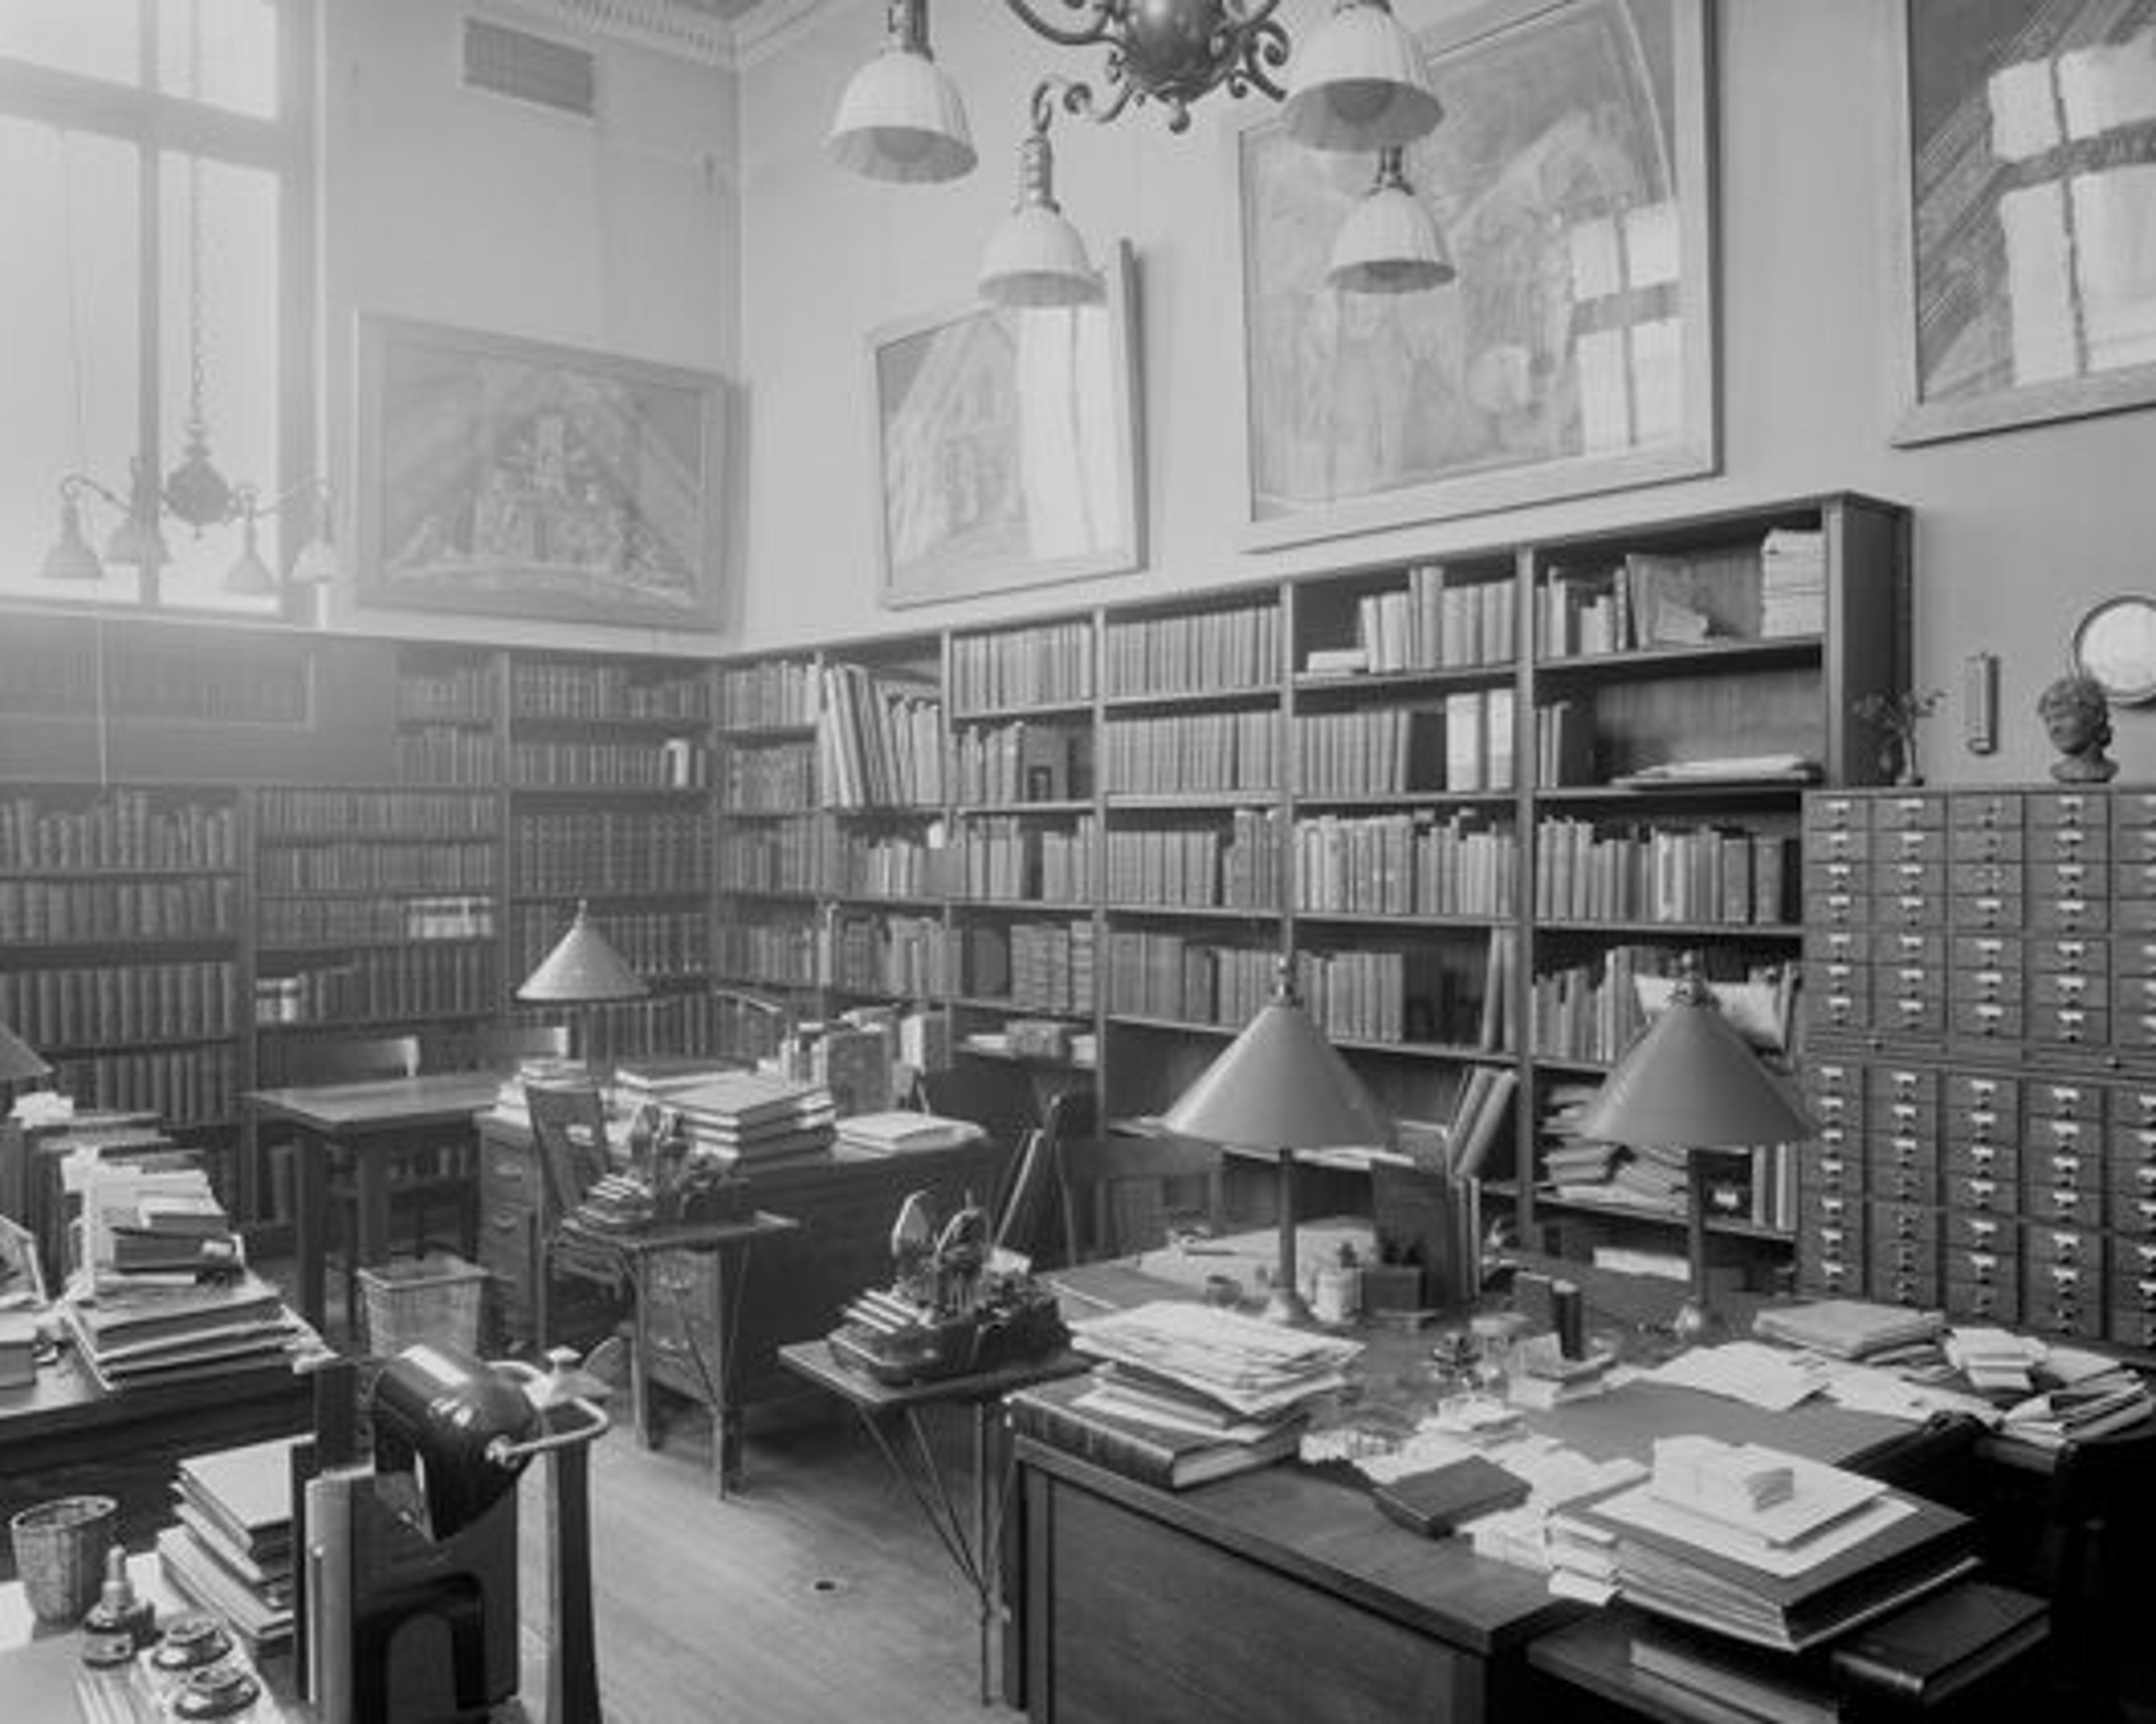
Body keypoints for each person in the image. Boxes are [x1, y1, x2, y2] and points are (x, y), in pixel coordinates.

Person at [2038, 672, 2118, 783]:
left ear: (2096, 717)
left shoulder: (2107, 770)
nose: (2054, 728)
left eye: (2063, 717)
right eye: (2048, 720)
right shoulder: (2060, 770)